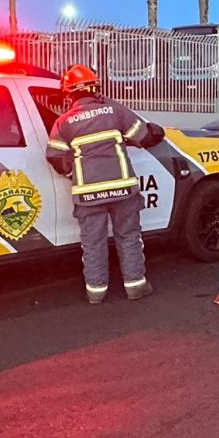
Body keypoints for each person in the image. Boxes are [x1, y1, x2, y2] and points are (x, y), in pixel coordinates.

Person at [47, 64, 159, 304]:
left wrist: (75, 173)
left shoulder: (63, 123)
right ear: (96, 87)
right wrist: (158, 132)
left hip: (87, 194)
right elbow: (146, 136)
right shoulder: (113, 110)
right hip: (122, 189)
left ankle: (96, 293)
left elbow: (56, 158)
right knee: (128, 236)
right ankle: (135, 287)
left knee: (93, 243)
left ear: (69, 94)